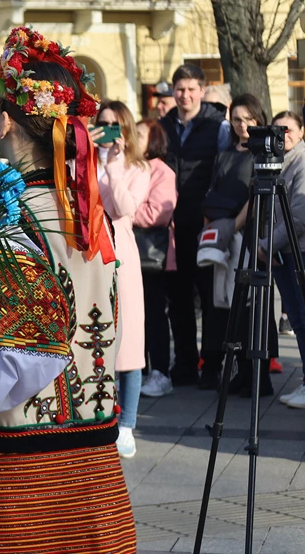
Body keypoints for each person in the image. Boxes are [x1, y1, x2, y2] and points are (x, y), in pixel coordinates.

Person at [0, 27, 136, 554]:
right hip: (92, 460)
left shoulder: (3, 223)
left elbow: (24, 357)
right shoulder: (92, 218)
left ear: (5, 118)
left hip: (19, 470)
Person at [159, 63, 231, 387]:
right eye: (179, 89)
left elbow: (225, 171)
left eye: (191, 89)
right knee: (178, 300)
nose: (185, 95)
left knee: (210, 295)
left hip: (204, 225)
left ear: (202, 91)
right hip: (171, 228)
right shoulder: (162, 127)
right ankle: (185, 362)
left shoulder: (219, 128)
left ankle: (212, 364)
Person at [199, 94, 269, 393]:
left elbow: (256, 198)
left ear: (258, 120)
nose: (242, 125)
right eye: (237, 119)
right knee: (223, 303)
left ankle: (255, 375)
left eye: (248, 119)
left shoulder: (261, 156)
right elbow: (212, 190)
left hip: (247, 235)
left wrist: (233, 226)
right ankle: (229, 367)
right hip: (221, 233)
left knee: (249, 306)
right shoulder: (224, 153)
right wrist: (213, 227)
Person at [92, 101, 150, 459]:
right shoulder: (80, 163)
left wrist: (113, 166)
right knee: (94, 335)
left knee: (130, 341)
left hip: (122, 254)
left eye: (116, 124)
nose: (110, 130)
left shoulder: (137, 167)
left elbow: (126, 208)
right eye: (103, 124)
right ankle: (98, 415)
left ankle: (126, 423)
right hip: (89, 253)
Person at [133, 119, 179, 400]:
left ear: (153, 140)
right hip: (130, 253)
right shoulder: (127, 166)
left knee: (153, 314)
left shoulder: (162, 171)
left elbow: (158, 214)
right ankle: (139, 369)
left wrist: (124, 211)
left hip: (151, 256)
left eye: (138, 134)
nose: (130, 139)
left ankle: (160, 371)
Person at [268, 111, 305, 408]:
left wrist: (266, 244)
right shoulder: (278, 163)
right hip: (285, 251)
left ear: (302, 131)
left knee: (303, 318)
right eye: (278, 130)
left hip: (298, 251)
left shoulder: (302, 161)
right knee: (295, 317)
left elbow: (298, 216)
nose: (284, 135)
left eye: (289, 129)